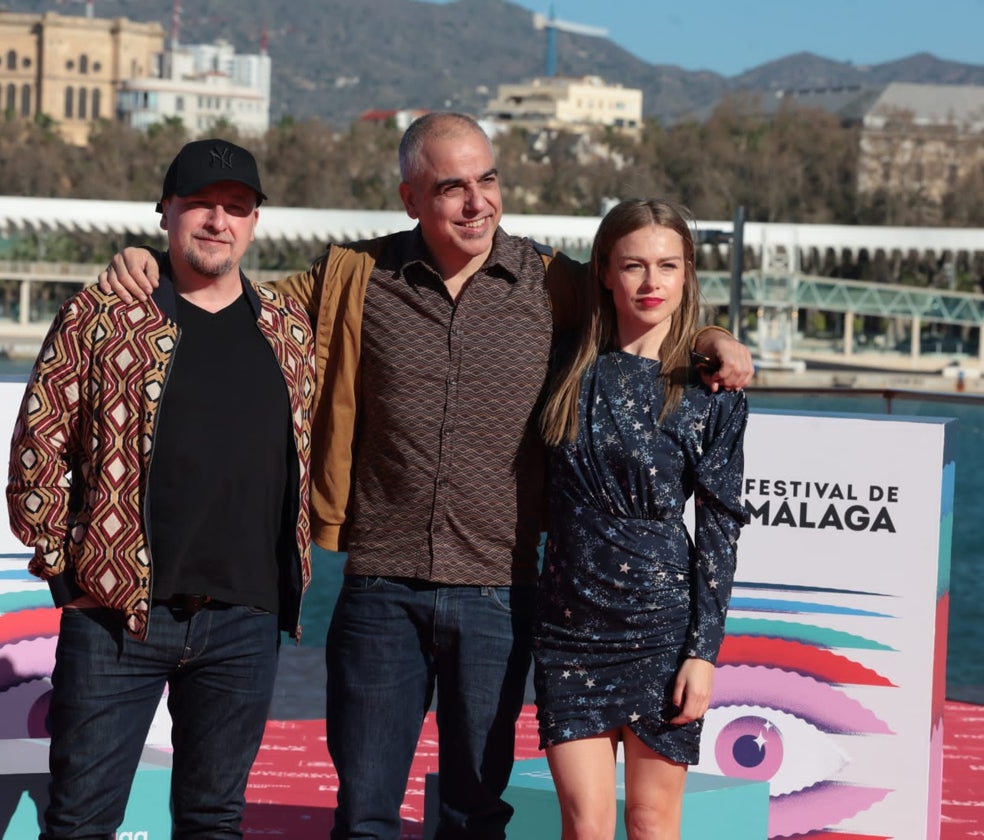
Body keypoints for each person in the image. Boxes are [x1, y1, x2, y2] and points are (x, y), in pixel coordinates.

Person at [98, 113, 753, 840]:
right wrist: (153, 262)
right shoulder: (355, 276)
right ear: (412, 198)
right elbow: (238, 300)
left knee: (473, 816)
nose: (477, 203)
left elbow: (638, 301)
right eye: (452, 188)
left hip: (500, 598)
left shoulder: (550, 283)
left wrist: (712, 338)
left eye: (488, 181)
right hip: (381, 592)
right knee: (366, 814)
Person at [6, 138, 315, 839]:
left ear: (255, 222)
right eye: (200, 205)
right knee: (81, 821)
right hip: (117, 618)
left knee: (214, 820)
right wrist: (67, 574)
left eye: (235, 208)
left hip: (245, 620)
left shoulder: (288, 332)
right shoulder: (104, 316)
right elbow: (39, 448)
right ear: (166, 214)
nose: (218, 220)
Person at [534, 198, 748, 840]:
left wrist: (703, 654)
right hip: (568, 628)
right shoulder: (561, 363)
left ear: (687, 275)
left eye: (667, 266)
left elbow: (719, 530)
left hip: (661, 627)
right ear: (604, 271)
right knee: (585, 823)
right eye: (634, 266)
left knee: (653, 823)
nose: (651, 283)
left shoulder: (711, 389)